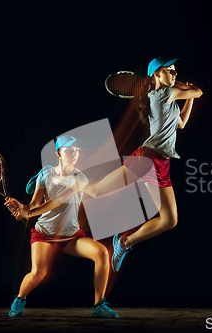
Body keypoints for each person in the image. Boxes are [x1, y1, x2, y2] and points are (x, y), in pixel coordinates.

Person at [85, 57, 203, 272]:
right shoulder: (162, 94)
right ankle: (55, 176)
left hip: (162, 162)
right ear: (157, 74)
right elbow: (198, 91)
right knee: (95, 190)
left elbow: (182, 123)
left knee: (169, 220)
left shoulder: (169, 100)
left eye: (175, 71)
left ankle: (123, 243)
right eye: (169, 71)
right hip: (147, 159)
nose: (175, 74)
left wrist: (185, 91)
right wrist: (184, 87)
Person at [5, 135, 118, 318]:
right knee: (38, 274)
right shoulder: (46, 174)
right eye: (69, 149)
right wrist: (21, 208)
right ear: (58, 152)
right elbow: (34, 204)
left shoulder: (80, 178)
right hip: (45, 234)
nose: (74, 153)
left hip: (71, 236)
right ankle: (20, 298)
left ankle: (98, 305)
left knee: (102, 253)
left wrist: (28, 213)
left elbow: (57, 201)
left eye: (77, 149)